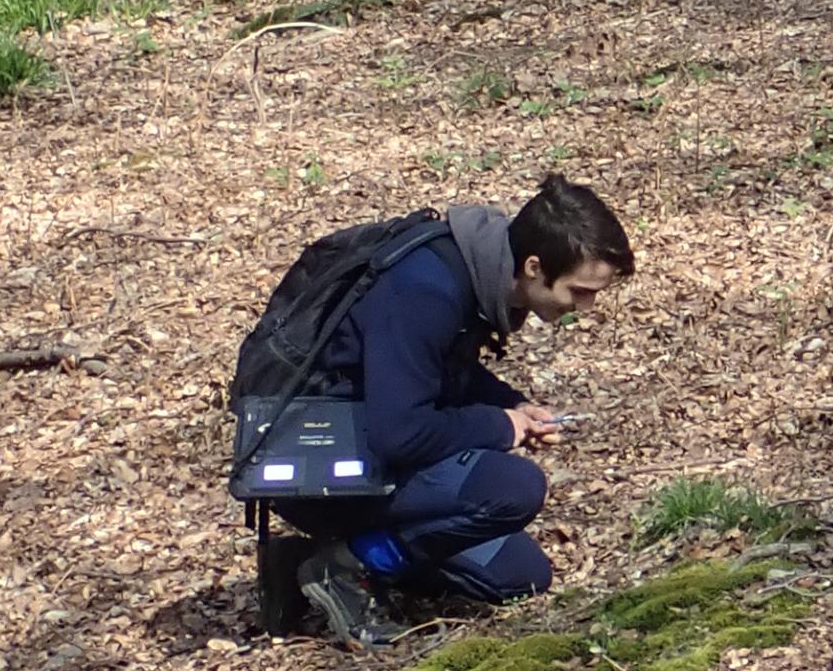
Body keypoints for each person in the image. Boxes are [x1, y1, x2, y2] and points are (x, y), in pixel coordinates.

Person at [263, 175, 633, 645]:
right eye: (580, 291)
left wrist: (512, 405)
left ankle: (305, 564)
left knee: (520, 575)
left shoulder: (475, 274)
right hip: (319, 465)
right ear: (535, 267)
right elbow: (400, 433)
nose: (586, 306)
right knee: (513, 488)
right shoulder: (424, 291)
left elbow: (439, 372)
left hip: (367, 453)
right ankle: (346, 569)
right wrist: (502, 426)